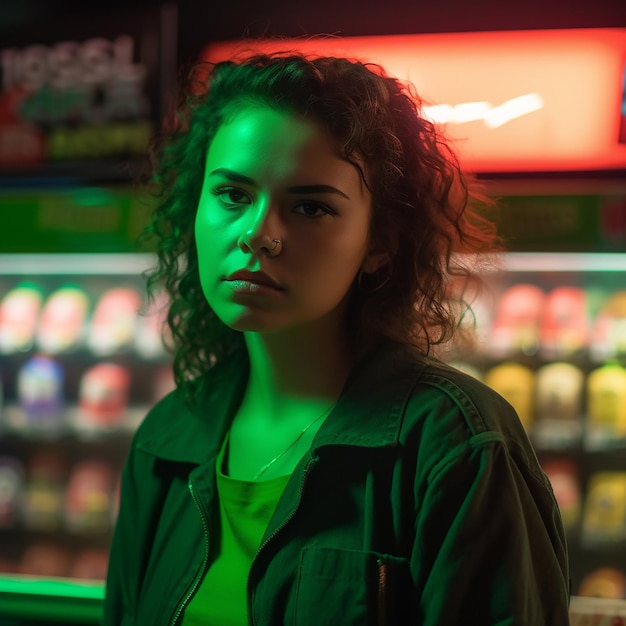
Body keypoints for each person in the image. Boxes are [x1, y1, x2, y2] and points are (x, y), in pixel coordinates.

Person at [102, 49, 570, 625]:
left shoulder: (453, 443)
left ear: (381, 243)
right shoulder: (167, 437)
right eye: (232, 195)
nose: (258, 235)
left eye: (310, 207)